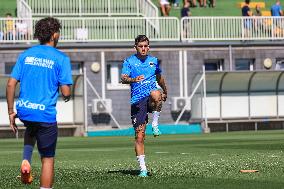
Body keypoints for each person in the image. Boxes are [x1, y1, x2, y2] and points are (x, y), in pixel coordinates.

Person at [6, 17, 73, 188]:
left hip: (25, 111)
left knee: (31, 127)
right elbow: (66, 92)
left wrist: (10, 112)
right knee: (48, 159)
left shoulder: (26, 54)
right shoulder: (61, 58)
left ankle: (26, 159)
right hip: (45, 114)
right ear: (54, 35)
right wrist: (66, 94)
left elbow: (11, 83)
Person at [121, 35, 168, 177]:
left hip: (151, 96)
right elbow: (123, 78)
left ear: (149, 47)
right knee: (140, 136)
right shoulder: (129, 61)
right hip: (137, 100)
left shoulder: (153, 61)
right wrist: (134, 79)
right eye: (140, 46)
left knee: (156, 94)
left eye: (146, 46)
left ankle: (155, 124)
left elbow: (159, 78)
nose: (143, 48)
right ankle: (143, 169)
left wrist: (165, 91)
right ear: (135, 47)